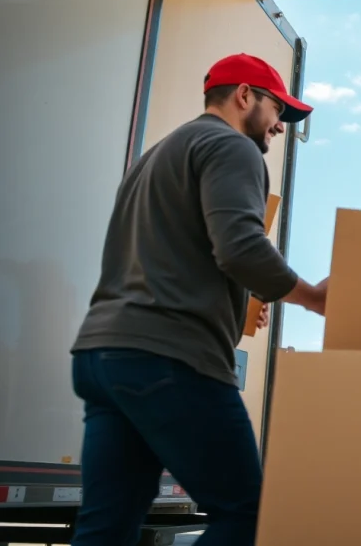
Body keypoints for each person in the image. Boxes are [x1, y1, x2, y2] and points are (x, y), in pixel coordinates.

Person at [68, 53, 329, 546]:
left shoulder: (159, 154)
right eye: (277, 110)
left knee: (106, 527)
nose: (279, 127)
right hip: (172, 358)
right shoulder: (232, 147)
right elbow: (241, 247)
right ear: (244, 96)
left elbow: (186, 252)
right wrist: (312, 297)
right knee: (249, 515)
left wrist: (246, 295)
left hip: (104, 356)